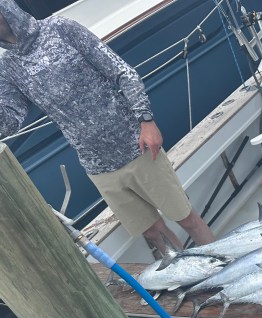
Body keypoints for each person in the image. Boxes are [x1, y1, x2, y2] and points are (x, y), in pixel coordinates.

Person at [0, 0, 215, 254]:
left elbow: (122, 72)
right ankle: (188, 279)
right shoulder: (7, 68)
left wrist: (146, 121)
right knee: (152, 232)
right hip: (97, 167)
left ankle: (226, 268)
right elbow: (11, 119)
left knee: (186, 217)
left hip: (137, 146)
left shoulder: (60, 28)